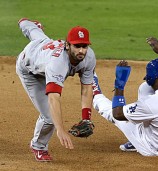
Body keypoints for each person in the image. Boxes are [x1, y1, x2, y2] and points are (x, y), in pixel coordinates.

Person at [92, 37, 158, 156]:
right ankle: (142, 122)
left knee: (114, 114)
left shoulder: (152, 103)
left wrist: (120, 83)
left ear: (151, 78)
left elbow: (118, 114)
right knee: (144, 89)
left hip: (152, 149)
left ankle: (95, 92)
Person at [16, 18, 97, 161]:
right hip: (30, 69)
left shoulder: (89, 57)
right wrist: (60, 129)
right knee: (49, 117)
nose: (81, 50)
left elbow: (87, 87)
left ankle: (26, 23)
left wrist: (86, 118)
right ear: (67, 45)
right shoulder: (58, 63)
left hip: (45, 45)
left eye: (85, 46)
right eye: (77, 46)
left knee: (39, 37)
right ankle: (38, 146)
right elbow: (53, 97)